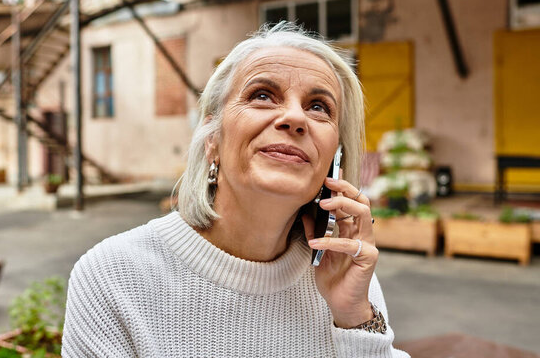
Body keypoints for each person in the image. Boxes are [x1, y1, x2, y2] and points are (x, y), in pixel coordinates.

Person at [62, 23, 410, 357]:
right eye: (262, 96)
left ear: (334, 157)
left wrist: (355, 318)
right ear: (212, 137)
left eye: (318, 107)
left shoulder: (341, 272)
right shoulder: (112, 277)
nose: (294, 118)